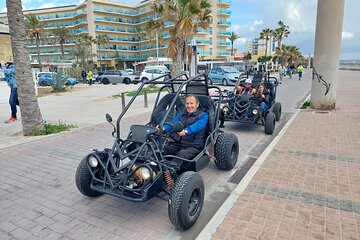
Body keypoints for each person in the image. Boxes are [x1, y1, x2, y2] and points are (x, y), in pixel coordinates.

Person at [158, 95, 209, 168]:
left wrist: (186, 131)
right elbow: (173, 123)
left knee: (181, 154)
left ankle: (169, 173)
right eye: (187, 103)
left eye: (191, 103)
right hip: (179, 144)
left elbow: (198, 125)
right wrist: (163, 128)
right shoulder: (182, 114)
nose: (189, 106)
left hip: (194, 146)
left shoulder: (203, 116)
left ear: (197, 104)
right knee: (161, 149)